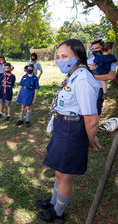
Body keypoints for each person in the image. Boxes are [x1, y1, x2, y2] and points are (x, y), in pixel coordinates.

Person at [36, 39, 101, 223]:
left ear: (78, 57)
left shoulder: (82, 79)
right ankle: (53, 202)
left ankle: (58, 212)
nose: (60, 60)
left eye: (65, 56)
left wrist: (89, 139)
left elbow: (91, 119)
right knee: (59, 171)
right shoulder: (74, 75)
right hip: (62, 126)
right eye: (58, 56)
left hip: (72, 130)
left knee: (64, 176)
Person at [87, 39, 117, 115]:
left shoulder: (111, 60)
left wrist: (92, 76)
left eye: (97, 48)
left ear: (102, 47)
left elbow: (111, 76)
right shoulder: (89, 60)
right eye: (93, 49)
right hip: (87, 88)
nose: (94, 50)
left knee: (96, 112)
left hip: (99, 89)